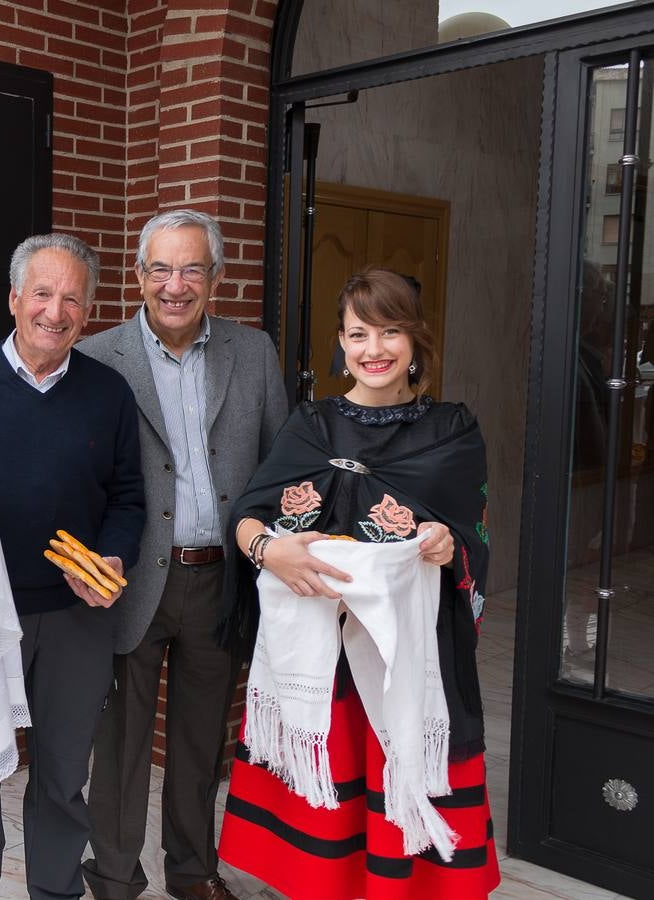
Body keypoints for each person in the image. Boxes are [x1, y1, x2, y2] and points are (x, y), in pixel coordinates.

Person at [216, 267, 499, 899]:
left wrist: (451, 546)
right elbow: (247, 514)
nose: (374, 349)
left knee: (405, 820)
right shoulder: (311, 425)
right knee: (328, 836)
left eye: (390, 332)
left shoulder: (451, 431)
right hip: (325, 665)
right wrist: (269, 550)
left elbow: (470, 537)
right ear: (341, 344)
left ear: (415, 341)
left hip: (410, 657)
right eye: (358, 333)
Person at [77, 209, 288, 900]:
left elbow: (281, 467)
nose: (176, 284)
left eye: (192, 268)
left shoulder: (253, 351)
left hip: (219, 580)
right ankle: (112, 876)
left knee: (202, 742)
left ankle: (193, 871)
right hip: (131, 576)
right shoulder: (99, 356)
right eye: (161, 268)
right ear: (139, 276)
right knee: (123, 744)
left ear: (215, 277)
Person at [0, 232, 147, 900]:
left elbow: (128, 497)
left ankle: (54, 892)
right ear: (14, 298)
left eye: (72, 299)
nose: (55, 311)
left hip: (73, 614)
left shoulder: (108, 393)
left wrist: (112, 557)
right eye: (42, 293)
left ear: (88, 312)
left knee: (61, 774)